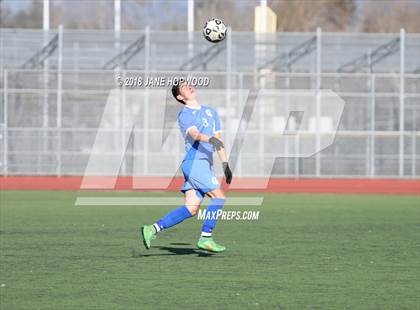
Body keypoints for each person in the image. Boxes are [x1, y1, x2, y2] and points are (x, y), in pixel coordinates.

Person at [141, 81, 232, 253]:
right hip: (195, 164)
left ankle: (152, 229)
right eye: (184, 87)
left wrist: (225, 164)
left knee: (191, 208)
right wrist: (210, 139)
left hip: (203, 165)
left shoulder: (211, 112)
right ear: (180, 97)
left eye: (189, 84)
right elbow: (195, 134)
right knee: (219, 197)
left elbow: (219, 141)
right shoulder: (185, 114)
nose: (189, 86)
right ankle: (206, 237)